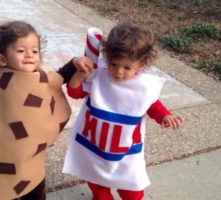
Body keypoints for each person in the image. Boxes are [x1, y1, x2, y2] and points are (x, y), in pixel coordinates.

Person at [0, 20, 91, 200]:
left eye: (35, 51)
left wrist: (75, 62)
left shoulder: (41, 77)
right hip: (0, 150)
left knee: (34, 185)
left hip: (29, 154)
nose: (30, 55)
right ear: (2, 58)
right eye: (21, 51)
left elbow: (61, 76)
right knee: (1, 187)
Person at [62, 20, 183, 200]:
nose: (118, 71)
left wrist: (164, 116)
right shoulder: (97, 75)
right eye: (113, 64)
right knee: (96, 181)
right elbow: (75, 92)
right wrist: (79, 75)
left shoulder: (143, 86)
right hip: (95, 143)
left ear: (141, 65)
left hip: (126, 148)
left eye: (127, 67)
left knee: (133, 188)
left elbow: (151, 104)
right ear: (108, 58)